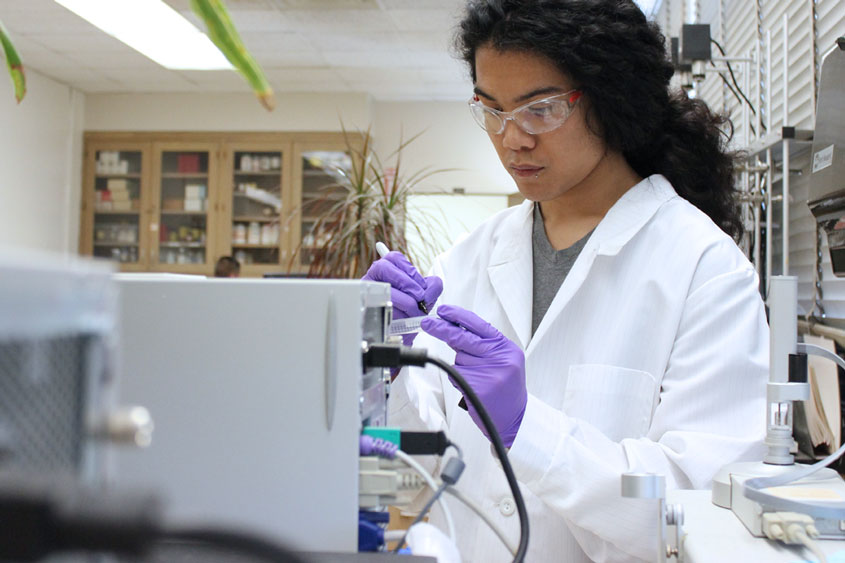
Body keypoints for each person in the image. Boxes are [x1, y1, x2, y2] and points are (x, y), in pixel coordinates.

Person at [364, 1, 768, 561]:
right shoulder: (469, 257)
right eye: (492, 109)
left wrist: (528, 430)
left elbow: (698, 509)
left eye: (541, 109)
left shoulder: (705, 269)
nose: (512, 139)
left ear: (611, 97)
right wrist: (393, 365)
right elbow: (429, 465)